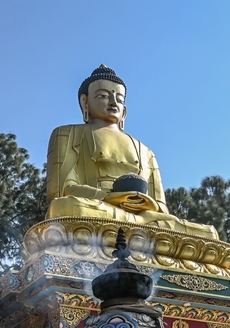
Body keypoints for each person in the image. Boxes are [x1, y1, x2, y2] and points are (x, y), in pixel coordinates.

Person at [45, 65, 218, 238]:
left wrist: (148, 204)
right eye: (103, 96)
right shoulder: (67, 134)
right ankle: (140, 233)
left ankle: (138, 229)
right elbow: (61, 190)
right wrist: (110, 197)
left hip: (142, 216)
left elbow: (161, 207)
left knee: (208, 233)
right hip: (98, 209)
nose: (113, 102)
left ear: (124, 110)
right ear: (85, 102)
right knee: (62, 208)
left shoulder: (145, 151)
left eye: (119, 99)